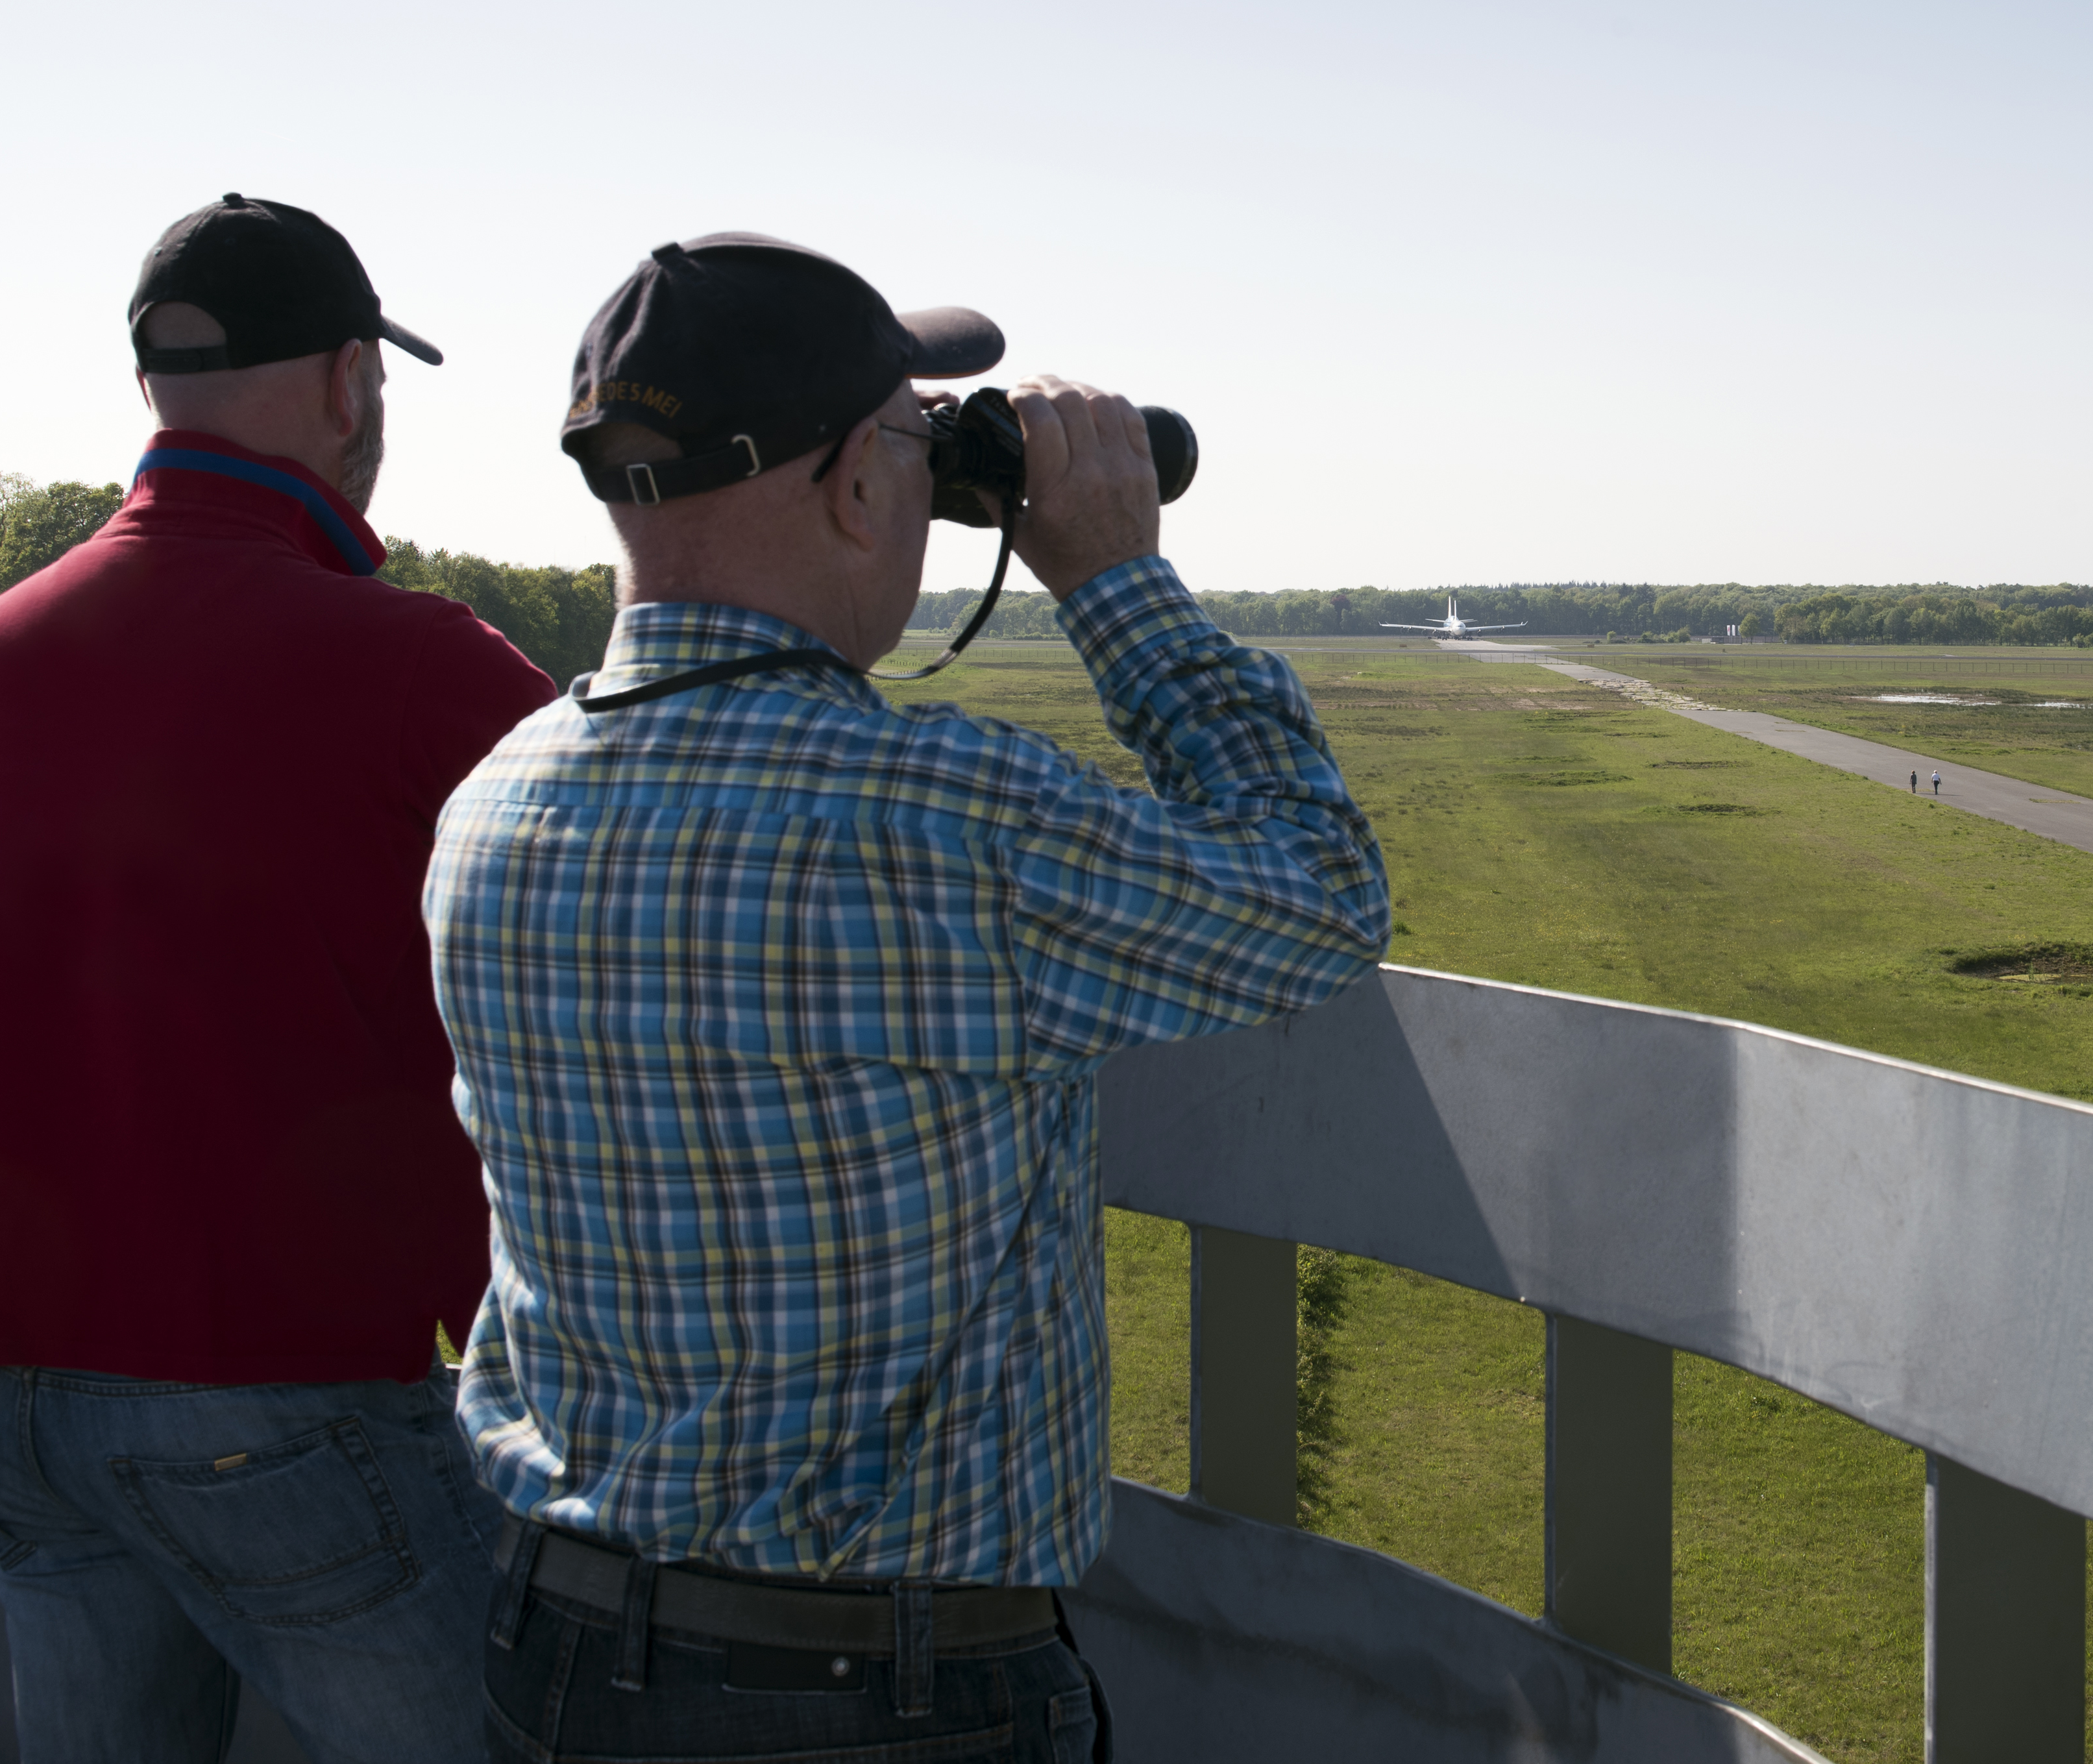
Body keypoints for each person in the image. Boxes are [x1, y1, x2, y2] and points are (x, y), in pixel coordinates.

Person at [425, 235, 1388, 1759]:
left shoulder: (497, 797)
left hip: (553, 1649)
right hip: (873, 1693)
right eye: (910, 437)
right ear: (860, 491)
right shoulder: (945, 816)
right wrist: (1121, 579)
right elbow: (1319, 895)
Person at [0, 195, 558, 1762]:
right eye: (376, 386)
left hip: (7, 1392)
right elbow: (644, 885)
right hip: (271, 1377)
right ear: (348, 380)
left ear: (153, 389)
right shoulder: (421, 661)